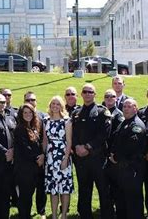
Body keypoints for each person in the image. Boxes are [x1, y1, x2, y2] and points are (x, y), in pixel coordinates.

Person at [71, 83, 113, 218]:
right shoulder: (76, 113)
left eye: (90, 92)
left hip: (98, 159)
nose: (88, 94)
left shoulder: (102, 112)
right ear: (81, 94)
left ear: (95, 94)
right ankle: (85, 215)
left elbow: (104, 134)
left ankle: (107, 215)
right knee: (84, 190)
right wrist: (76, 146)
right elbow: (73, 134)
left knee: (103, 190)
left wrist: (88, 147)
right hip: (81, 160)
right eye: (85, 92)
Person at [107, 99, 146, 219]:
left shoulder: (136, 126)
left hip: (132, 169)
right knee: (122, 200)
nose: (126, 109)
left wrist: (116, 157)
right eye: (124, 107)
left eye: (130, 106)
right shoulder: (125, 122)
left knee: (133, 202)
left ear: (136, 108)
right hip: (122, 169)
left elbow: (130, 147)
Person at [43, 96, 74, 219]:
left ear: (62, 106)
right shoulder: (46, 120)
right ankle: (54, 215)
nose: (55, 106)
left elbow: (69, 141)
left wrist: (65, 159)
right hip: (50, 157)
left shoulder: (67, 121)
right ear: (50, 105)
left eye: (58, 104)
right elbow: (45, 140)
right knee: (53, 188)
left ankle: (64, 214)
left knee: (64, 187)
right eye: (53, 104)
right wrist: (44, 156)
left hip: (62, 156)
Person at [14, 104, 45, 219]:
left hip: (34, 168)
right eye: (25, 113)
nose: (28, 115)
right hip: (24, 170)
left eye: (30, 112)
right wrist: (39, 158)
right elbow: (25, 148)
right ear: (21, 115)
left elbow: (38, 145)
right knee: (25, 198)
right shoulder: (20, 129)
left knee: (28, 196)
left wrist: (42, 155)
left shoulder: (33, 127)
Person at [23, 91, 47, 217]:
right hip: (27, 159)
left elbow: (45, 137)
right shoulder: (21, 116)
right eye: (28, 100)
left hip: (42, 157)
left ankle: (41, 210)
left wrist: (43, 155)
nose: (30, 102)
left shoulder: (43, 116)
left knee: (41, 186)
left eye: (33, 99)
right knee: (27, 188)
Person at [102, 89, 124, 212]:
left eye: (112, 96)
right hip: (102, 154)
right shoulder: (102, 111)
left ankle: (116, 210)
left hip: (112, 155)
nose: (109, 98)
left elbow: (117, 136)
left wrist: (113, 153)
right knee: (105, 185)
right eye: (107, 96)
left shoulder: (118, 114)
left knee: (115, 185)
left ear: (116, 98)